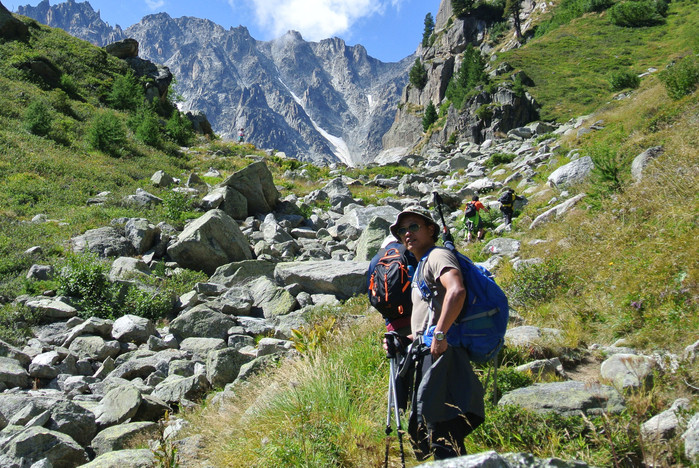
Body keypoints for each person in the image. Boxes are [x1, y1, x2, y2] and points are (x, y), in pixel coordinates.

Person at [387, 205, 485, 460]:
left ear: (432, 229)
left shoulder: (438, 256)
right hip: (430, 350)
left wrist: (440, 334)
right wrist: (404, 340)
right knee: (437, 429)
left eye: (414, 226)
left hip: (442, 353)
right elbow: (429, 319)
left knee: (442, 428)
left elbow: (456, 290)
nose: (407, 233)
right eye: (401, 231)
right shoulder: (422, 264)